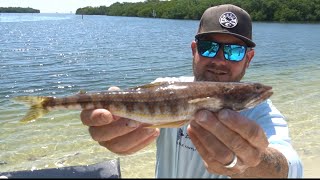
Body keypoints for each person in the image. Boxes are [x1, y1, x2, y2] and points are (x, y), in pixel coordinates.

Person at [80, 4, 303, 178]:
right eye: (209, 47)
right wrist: (113, 130)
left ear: (249, 58)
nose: (219, 60)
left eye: (234, 51)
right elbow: (126, 117)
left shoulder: (261, 113)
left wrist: (253, 162)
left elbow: (289, 168)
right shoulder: (164, 88)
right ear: (194, 50)